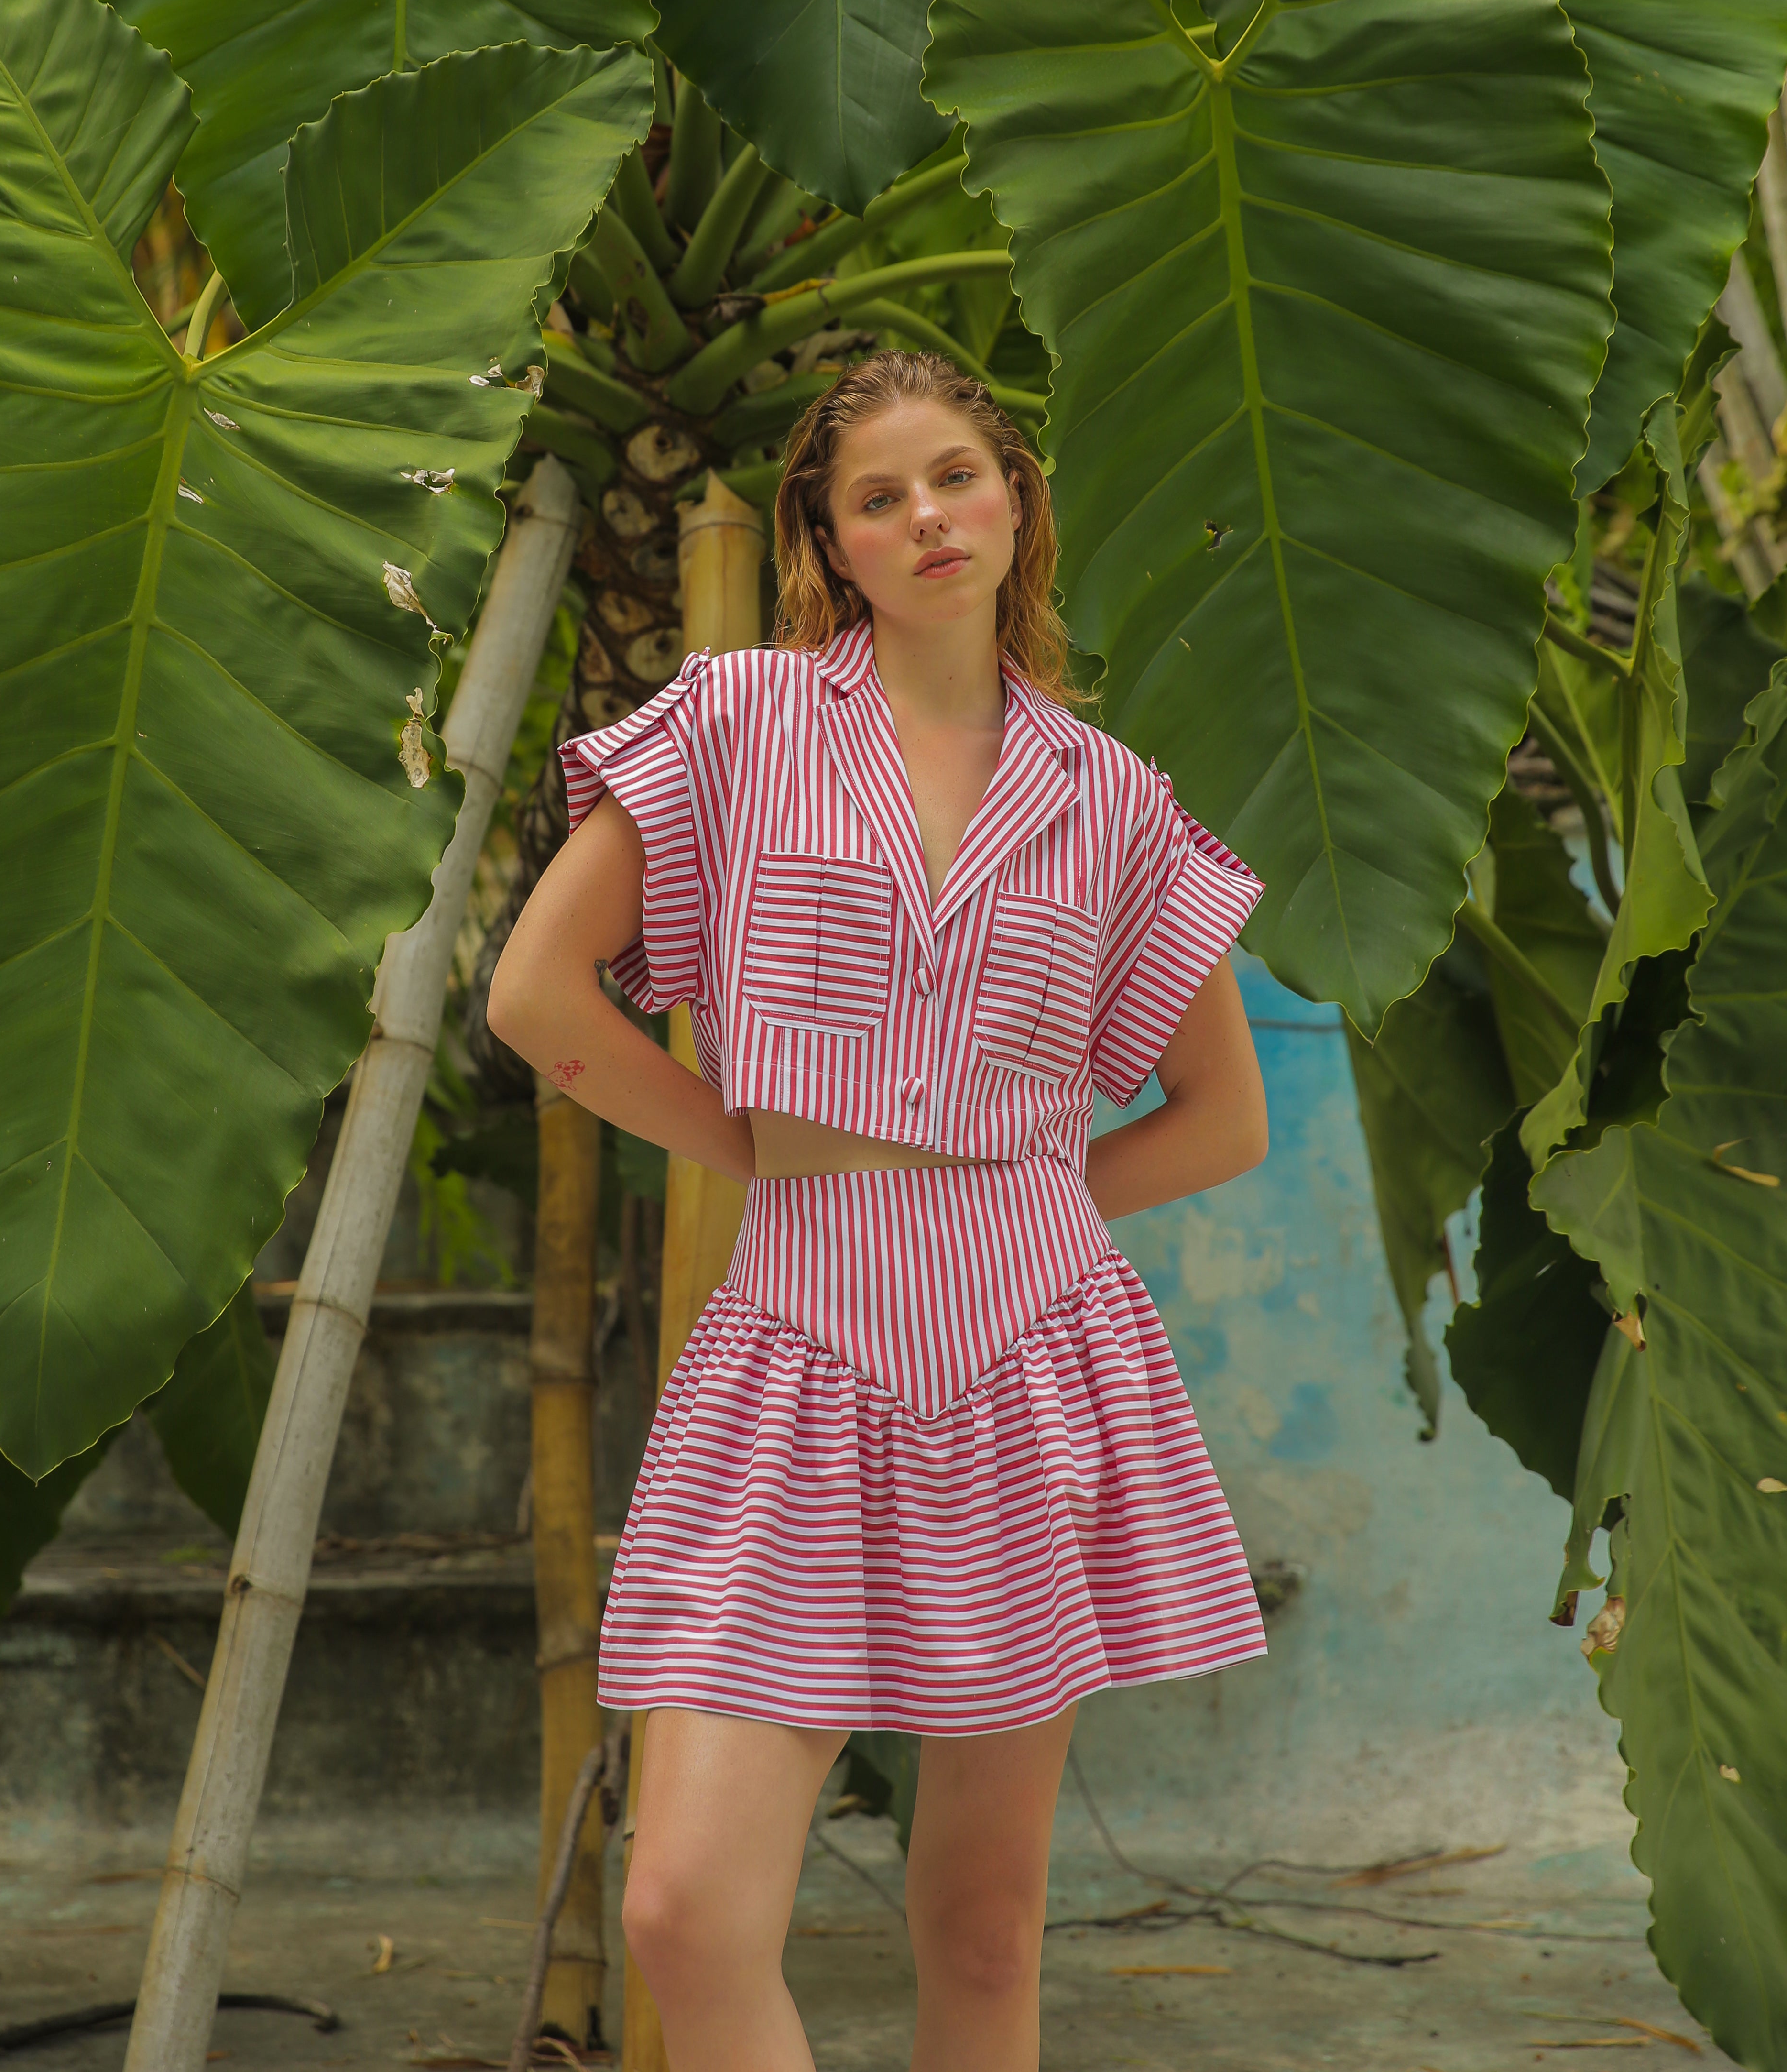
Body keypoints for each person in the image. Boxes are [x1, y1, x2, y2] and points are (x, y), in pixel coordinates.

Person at [488, 350, 1269, 2072]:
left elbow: (1224, 1119)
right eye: (879, 495)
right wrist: (751, 1148)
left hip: (1028, 1358)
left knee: (983, 1929)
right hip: (797, 1347)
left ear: (1018, 506)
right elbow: (538, 996)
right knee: (684, 1911)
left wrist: (1039, 1206)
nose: (927, 517)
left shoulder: (1111, 798)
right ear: (828, 543)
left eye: (959, 479)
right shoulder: (738, 724)